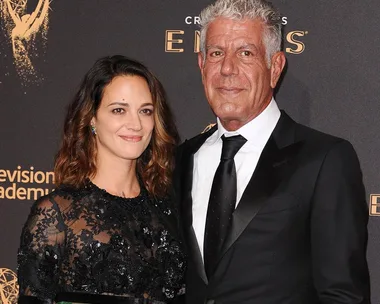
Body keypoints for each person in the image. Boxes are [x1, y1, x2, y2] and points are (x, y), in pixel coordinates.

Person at [174, 0, 370, 303]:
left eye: (245, 53)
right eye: (216, 53)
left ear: (275, 67)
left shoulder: (324, 160)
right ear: (202, 64)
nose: (227, 68)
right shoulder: (183, 158)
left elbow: (342, 295)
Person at [17, 55, 186, 304]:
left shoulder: (169, 208)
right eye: (119, 110)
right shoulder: (57, 215)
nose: (136, 123)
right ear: (92, 119)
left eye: (145, 111)